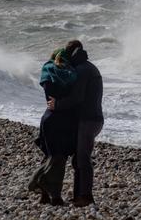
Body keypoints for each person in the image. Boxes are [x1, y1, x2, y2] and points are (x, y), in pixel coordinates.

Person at [46, 39, 103, 207]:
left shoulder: (82, 70)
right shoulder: (87, 67)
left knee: (83, 158)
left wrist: (58, 104)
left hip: (89, 120)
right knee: (79, 158)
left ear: (72, 53)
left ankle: (86, 196)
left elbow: (77, 98)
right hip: (93, 118)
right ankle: (79, 195)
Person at [28, 48, 79, 205]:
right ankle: (52, 194)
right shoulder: (70, 75)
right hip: (61, 120)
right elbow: (72, 99)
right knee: (59, 159)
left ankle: (44, 196)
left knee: (49, 155)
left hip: (47, 118)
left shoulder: (47, 72)